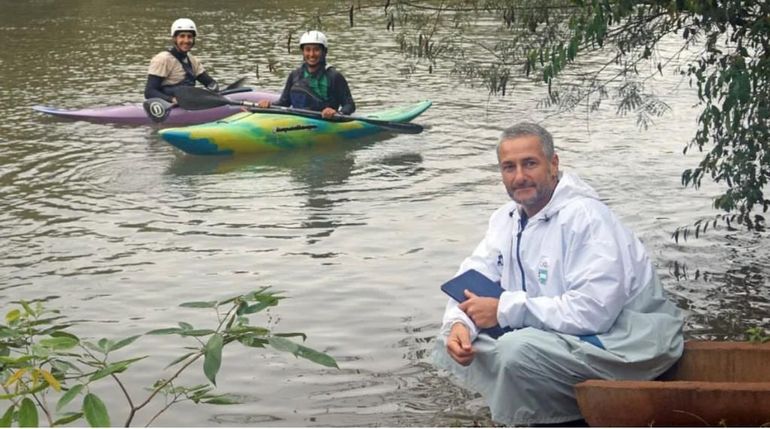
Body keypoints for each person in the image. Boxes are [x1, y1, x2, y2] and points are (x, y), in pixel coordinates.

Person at [432, 122, 685, 426]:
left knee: (515, 351)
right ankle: (545, 410)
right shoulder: (506, 219)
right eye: (508, 167)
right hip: (560, 332)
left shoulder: (587, 218)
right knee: (452, 339)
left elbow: (594, 312)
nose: (519, 177)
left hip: (627, 339)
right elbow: (474, 274)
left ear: (553, 164)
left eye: (530, 164)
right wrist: (462, 323)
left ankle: (558, 418)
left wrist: (504, 310)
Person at [257, 30, 355, 119]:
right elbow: (284, 103)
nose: (311, 54)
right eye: (307, 50)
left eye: (316, 50)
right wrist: (268, 105)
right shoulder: (294, 75)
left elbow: (350, 105)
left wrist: (337, 113)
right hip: (298, 120)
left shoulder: (334, 76)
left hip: (325, 122)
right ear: (303, 52)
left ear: (324, 52)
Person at [144, 18, 218, 104]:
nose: (186, 41)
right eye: (182, 36)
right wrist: (172, 100)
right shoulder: (163, 59)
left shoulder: (192, 60)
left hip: (187, 105)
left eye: (189, 37)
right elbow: (149, 92)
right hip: (168, 107)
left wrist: (214, 89)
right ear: (175, 38)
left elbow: (210, 83)